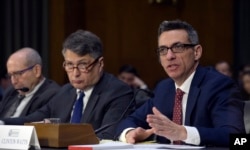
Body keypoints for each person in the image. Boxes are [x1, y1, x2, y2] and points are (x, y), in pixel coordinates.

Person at [115, 20, 245, 147]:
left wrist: (183, 133)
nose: (169, 56)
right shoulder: (164, 89)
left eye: (178, 47)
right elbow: (129, 121)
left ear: (196, 52)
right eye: (163, 50)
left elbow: (237, 139)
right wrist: (130, 133)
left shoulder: (219, 86)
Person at [1, 30, 134, 140]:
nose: (75, 73)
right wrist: (3, 123)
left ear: (100, 64)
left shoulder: (117, 92)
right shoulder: (65, 92)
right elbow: (34, 118)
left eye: (83, 65)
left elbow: (107, 135)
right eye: (70, 65)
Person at [0, 48, 60, 118]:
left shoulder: (52, 94)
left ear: (37, 71)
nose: (13, 81)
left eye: (18, 74)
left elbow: (31, 122)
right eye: (10, 75)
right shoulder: (11, 92)